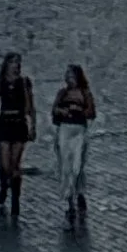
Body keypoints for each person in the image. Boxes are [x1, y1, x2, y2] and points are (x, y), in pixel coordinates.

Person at [0, 50, 37, 218]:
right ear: (7, 64)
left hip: (18, 124)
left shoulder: (24, 83)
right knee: (5, 164)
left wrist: (33, 126)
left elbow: (30, 106)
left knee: (15, 163)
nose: (16, 66)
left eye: (18, 63)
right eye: (13, 62)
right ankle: (4, 184)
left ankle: (15, 199)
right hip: (4, 123)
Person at [50, 64, 97, 227]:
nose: (69, 79)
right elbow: (54, 111)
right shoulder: (62, 94)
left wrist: (79, 110)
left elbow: (91, 112)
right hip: (65, 130)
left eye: (72, 75)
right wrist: (60, 111)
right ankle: (70, 200)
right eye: (67, 75)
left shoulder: (85, 93)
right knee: (66, 167)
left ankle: (79, 191)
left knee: (77, 166)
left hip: (79, 131)